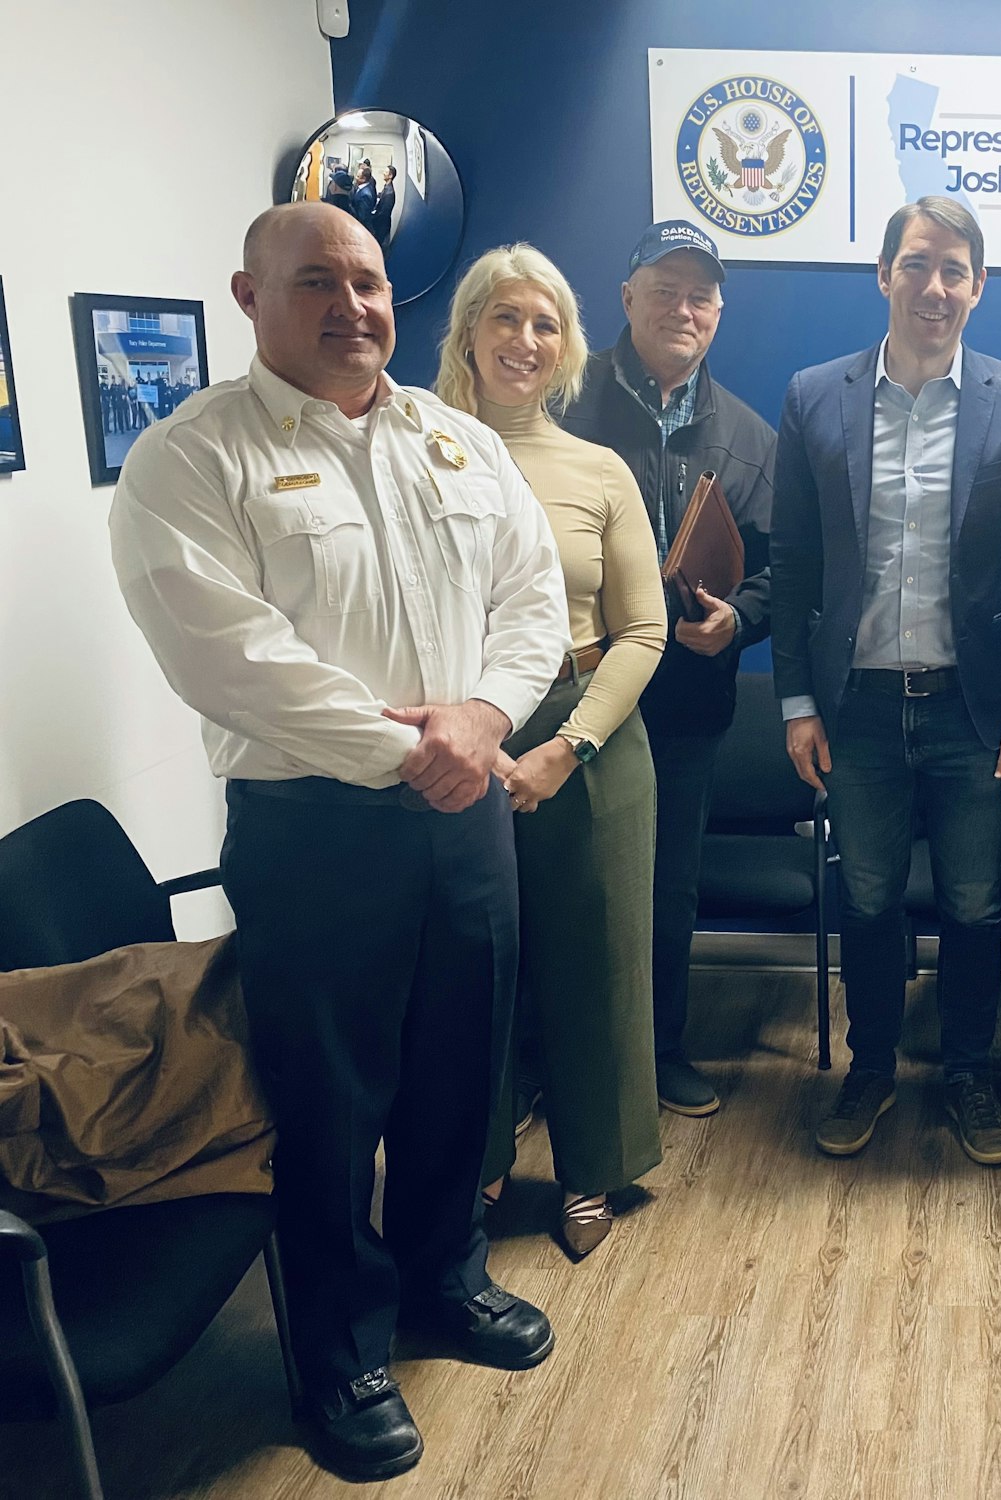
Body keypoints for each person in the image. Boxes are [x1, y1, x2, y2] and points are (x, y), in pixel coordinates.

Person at [107, 202, 567, 1482]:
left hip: (466, 817)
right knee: (326, 1106)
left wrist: (480, 721)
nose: (353, 306)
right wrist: (418, 751)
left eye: (368, 283)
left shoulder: (457, 442)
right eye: (317, 282)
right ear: (250, 298)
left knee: (457, 1071)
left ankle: (442, 1283)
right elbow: (232, 659)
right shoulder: (190, 459)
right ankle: (338, 1351)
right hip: (314, 832)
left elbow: (531, 602)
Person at [771, 195, 1001, 1166]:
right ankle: (870, 1070)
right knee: (866, 901)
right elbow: (796, 565)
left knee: (977, 905)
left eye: (953, 270)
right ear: (883, 275)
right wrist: (795, 701)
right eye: (916, 264)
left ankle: (968, 1077)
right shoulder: (814, 395)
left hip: (972, 714)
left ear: (977, 287)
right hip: (853, 710)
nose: (933, 286)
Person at [434, 243, 668, 1259]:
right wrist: (471, 742)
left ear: (566, 344)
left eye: (544, 324)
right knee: (463, 967)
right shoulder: (416, 450)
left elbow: (644, 631)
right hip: (453, 739)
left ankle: (593, 1170)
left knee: (596, 960)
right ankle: (472, 1159)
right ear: (469, 334)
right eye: (505, 318)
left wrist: (566, 745)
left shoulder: (598, 470)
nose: (523, 341)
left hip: (587, 730)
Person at [560, 219, 775, 1119]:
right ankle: (557, 1060)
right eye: (664, 290)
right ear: (626, 300)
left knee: (666, 883)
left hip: (687, 702)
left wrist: (738, 621)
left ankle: (658, 1053)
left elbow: (781, 569)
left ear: (718, 314)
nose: (681, 309)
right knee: (567, 879)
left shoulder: (752, 435)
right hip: (569, 695)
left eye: (699, 295)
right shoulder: (561, 409)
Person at [370, 164, 398, 246]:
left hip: (381, 226)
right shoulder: (386, 188)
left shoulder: (389, 193)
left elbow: (384, 213)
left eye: (385, 172)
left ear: (390, 176)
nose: (383, 173)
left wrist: (372, 218)